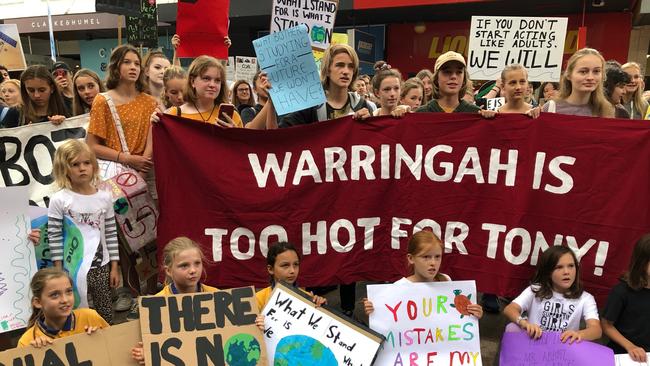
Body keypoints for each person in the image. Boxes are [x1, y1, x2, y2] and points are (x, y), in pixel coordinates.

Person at [48, 140, 119, 323]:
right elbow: (54, 235)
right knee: (76, 313)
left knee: (105, 312)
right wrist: (58, 271)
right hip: (73, 267)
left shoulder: (104, 197)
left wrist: (114, 266)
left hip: (101, 266)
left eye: (86, 163)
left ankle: (107, 341)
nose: (82, 168)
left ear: (93, 166)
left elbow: (110, 233)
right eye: (75, 164)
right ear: (64, 169)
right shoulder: (59, 200)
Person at [131, 237, 217, 364]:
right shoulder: (155, 305)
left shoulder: (217, 296)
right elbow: (143, 343)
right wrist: (150, 352)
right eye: (184, 266)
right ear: (169, 271)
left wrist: (256, 323)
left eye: (197, 263)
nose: (193, 270)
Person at [363, 230, 483, 318]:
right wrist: (374, 311)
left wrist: (474, 313)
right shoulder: (397, 288)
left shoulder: (446, 281)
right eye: (426, 257)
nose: (433, 263)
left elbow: (454, 318)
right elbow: (387, 322)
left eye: (437, 257)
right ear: (411, 258)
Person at [503, 246, 601, 343]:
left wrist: (579, 334)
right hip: (534, 342)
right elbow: (510, 309)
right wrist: (524, 323)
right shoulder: (535, 290)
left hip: (563, 347)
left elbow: (596, 330)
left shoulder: (586, 298)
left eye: (571, 266)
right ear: (548, 272)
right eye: (559, 267)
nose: (566, 272)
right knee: (512, 327)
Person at [86, 45, 157, 179]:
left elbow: (152, 141)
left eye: (137, 63)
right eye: (126, 62)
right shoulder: (103, 101)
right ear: (115, 67)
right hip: (115, 173)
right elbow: (92, 146)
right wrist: (127, 159)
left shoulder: (150, 102)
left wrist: (141, 175)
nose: (133, 67)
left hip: (146, 173)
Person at [279, 43, 372, 127]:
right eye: (340, 65)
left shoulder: (362, 104)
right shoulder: (312, 106)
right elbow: (280, 135)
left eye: (351, 66)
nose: (346, 71)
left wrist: (368, 123)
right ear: (327, 70)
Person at [17, 268, 109, 348]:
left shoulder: (90, 317)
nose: (65, 300)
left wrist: (100, 338)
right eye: (55, 295)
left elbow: (116, 349)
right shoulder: (27, 341)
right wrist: (36, 354)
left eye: (69, 291)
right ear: (38, 302)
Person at [152, 55, 242, 127]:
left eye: (217, 80)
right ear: (192, 81)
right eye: (206, 78)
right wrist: (156, 126)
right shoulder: (173, 115)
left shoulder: (232, 117)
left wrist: (233, 136)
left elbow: (242, 149)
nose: (212, 85)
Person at [601, 234, 650, 362]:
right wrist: (630, 346)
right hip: (623, 354)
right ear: (642, 262)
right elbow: (606, 325)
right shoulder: (622, 291)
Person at [416, 51, 496, 118]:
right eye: (447, 72)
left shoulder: (475, 113)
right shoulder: (421, 113)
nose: (454, 76)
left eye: (459, 72)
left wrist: (491, 120)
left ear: (464, 79)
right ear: (436, 78)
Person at [542, 48, 614, 118]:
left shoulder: (607, 111)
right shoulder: (551, 108)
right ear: (569, 75)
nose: (590, 77)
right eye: (583, 72)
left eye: (596, 71)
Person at [255, 242, 327, 311]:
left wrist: (322, 309)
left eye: (296, 264)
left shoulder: (309, 298)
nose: (292, 271)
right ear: (270, 269)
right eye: (285, 265)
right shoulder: (257, 300)